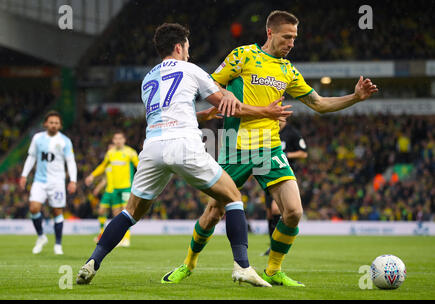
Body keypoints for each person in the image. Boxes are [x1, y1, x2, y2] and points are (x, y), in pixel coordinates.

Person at [164, 10, 378, 287]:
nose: (291, 43)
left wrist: (356, 97)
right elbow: (211, 83)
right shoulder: (244, 56)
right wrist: (225, 91)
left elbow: (320, 104)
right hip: (235, 146)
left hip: (269, 147)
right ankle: (188, 264)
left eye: (294, 38)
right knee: (213, 214)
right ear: (270, 33)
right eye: (287, 37)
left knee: (293, 211)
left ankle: (273, 269)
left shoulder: (288, 71)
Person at [76, 23, 290, 286]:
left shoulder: (148, 78)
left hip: (153, 147)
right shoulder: (190, 69)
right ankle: (242, 266)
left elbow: (167, 115)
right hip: (184, 144)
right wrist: (265, 112)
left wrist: (201, 115)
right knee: (233, 196)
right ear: (179, 47)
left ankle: (92, 262)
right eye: (187, 47)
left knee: (130, 211)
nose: (189, 52)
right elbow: (229, 104)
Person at [19, 110, 77, 255]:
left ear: (60, 125)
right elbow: (31, 157)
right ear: (45, 123)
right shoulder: (37, 138)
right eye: (51, 122)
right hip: (40, 180)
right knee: (33, 208)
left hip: (57, 182)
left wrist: (73, 181)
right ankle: (41, 236)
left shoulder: (65, 141)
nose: (53, 125)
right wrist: (24, 175)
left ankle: (58, 244)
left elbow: (70, 162)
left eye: (56, 123)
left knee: (57, 211)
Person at [262, 118, 308, 256]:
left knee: (277, 210)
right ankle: (272, 244)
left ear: (285, 117)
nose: (277, 119)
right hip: (267, 173)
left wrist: (286, 154)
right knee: (269, 212)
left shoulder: (293, 133)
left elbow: (303, 153)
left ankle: (278, 245)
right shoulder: (270, 131)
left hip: (284, 174)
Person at [85, 132, 138, 247]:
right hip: (114, 189)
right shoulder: (110, 153)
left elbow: (139, 165)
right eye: (116, 138)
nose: (118, 140)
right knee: (116, 215)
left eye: (120, 138)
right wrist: (92, 176)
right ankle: (120, 238)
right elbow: (103, 166)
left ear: (124, 140)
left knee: (126, 212)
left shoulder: (130, 152)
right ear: (113, 140)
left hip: (126, 187)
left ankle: (127, 239)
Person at [90, 143, 115, 243]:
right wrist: (97, 188)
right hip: (108, 191)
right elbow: (105, 180)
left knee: (117, 215)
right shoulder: (107, 164)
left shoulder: (120, 163)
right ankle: (101, 234)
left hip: (117, 191)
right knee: (101, 211)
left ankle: (121, 236)